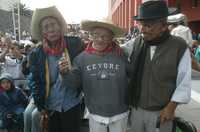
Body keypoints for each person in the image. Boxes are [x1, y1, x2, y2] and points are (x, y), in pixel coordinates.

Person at [127, 1, 191, 132]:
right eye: (141, 25)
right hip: (136, 109)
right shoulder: (137, 42)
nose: (142, 29)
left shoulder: (178, 46)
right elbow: (117, 51)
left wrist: (171, 108)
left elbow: (184, 81)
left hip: (163, 112)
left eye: (148, 26)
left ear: (163, 26)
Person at [59, 20, 129, 132]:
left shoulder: (122, 55)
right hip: (95, 114)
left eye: (105, 36)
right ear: (90, 35)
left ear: (112, 38)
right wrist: (65, 73)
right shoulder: (80, 59)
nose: (100, 39)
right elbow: (74, 84)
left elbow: (132, 78)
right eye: (96, 35)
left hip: (120, 113)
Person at [28, 6, 84, 132]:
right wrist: (40, 105)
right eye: (46, 27)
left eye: (53, 24)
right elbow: (34, 81)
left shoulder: (75, 44)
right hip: (50, 106)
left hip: (71, 103)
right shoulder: (36, 53)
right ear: (42, 32)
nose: (51, 29)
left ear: (60, 26)